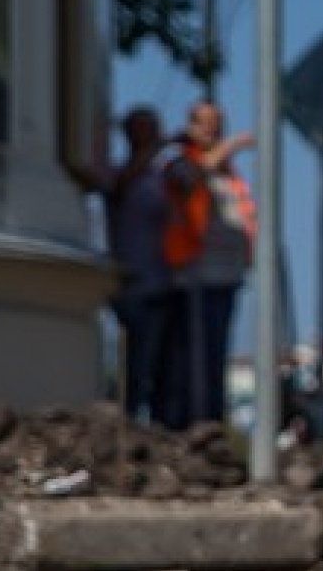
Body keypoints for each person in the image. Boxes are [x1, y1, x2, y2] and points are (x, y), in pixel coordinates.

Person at [160, 101, 255, 430]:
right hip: (194, 276)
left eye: (217, 125)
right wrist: (230, 147)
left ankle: (212, 424)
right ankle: (188, 426)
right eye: (205, 124)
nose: (212, 132)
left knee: (216, 357)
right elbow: (188, 181)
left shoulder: (229, 174)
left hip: (227, 276)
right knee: (191, 361)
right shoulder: (181, 163)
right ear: (190, 126)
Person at [103, 106, 173, 422]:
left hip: (161, 284)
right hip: (130, 284)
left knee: (160, 365)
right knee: (134, 363)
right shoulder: (121, 176)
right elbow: (118, 187)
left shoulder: (161, 179)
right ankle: (130, 420)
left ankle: (154, 426)